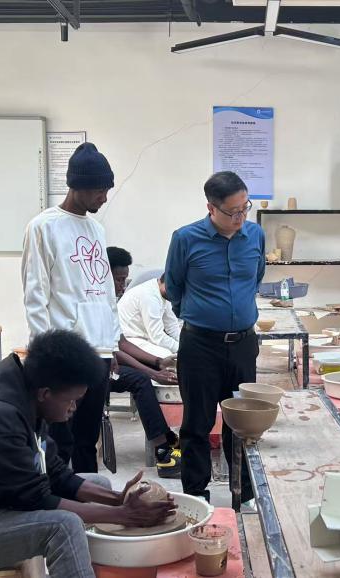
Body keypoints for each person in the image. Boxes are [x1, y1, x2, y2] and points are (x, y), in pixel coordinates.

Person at [0, 330, 175, 578]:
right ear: (45, 394)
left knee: (99, 483)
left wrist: (117, 499)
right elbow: (36, 499)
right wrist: (122, 514)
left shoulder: (27, 400)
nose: (73, 408)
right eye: (71, 400)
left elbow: (57, 475)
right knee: (63, 526)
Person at [165, 171, 265, 504]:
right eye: (233, 211)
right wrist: (204, 316)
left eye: (245, 208)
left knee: (242, 422)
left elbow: (256, 278)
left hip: (243, 345)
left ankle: (244, 494)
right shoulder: (185, 239)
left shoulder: (255, 235)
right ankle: (196, 496)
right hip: (200, 346)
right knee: (197, 423)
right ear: (211, 208)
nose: (240, 217)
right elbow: (174, 288)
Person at [21, 142, 120, 473]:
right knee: (60, 440)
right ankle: (57, 500)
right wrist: (44, 353)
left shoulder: (96, 229)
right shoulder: (43, 226)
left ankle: (89, 500)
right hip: (65, 353)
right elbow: (35, 294)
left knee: (87, 439)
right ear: (78, 186)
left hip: (99, 350)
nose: (104, 197)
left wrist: (112, 343)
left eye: (107, 190)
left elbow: (106, 290)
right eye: (99, 190)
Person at [106, 247, 181, 478]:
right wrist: (153, 372)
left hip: (111, 361)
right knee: (141, 378)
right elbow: (117, 350)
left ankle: (167, 441)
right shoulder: (93, 302)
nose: (123, 286)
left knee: (148, 372)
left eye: (124, 280)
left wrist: (158, 363)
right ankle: (164, 448)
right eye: (118, 280)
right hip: (92, 368)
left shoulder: (110, 302)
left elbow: (121, 344)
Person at [118, 272, 181, 358]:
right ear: (166, 283)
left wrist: (185, 345)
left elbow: (172, 326)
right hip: (129, 339)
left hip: (145, 338)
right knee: (169, 356)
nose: (175, 295)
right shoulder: (150, 296)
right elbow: (157, 336)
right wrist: (182, 349)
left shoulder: (165, 293)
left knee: (177, 353)